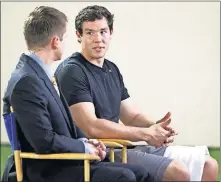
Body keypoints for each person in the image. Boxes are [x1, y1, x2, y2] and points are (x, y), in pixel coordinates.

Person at [55, 5, 219, 182]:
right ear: (79, 35)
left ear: (111, 32)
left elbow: (131, 117)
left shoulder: (111, 69)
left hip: (123, 146)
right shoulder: (72, 71)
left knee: (208, 164)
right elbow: (91, 127)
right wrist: (146, 134)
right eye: (90, 33)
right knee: (178, 172)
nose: (98, 39)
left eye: (103, 31)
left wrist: (155, 126)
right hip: (100, 151)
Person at [2, 6, 151, 182]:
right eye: (65, 38)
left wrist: (86, 141)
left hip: (66, 162)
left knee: (141, 173)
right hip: (46, 170)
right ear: (55, 41)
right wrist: (83, 147)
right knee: (125, 176)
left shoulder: (38, 74)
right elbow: (44, 141)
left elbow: (62, 126)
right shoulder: (26, 81)